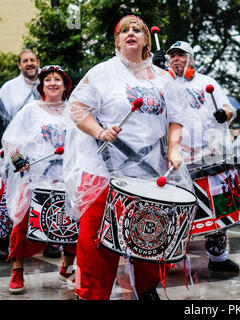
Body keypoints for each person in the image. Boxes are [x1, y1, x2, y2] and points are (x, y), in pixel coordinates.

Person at [65, 15, 190, 300]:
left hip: (148, 173)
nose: (130, 33)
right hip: (103, 171)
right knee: (95, 241)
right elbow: (78, 109)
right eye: (124, 31)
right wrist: (98, 131)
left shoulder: (163, 79)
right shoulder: (101, 72)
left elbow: (176, 118)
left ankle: (147, 290)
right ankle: (92, 295)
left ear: (146, 40)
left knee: (150, 234)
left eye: (137, 30)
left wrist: (173, 148)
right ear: (117, 40)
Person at [1, 65, 77, 294]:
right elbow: (10, 139)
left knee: (72, 225)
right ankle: (18, 271)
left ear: (65, 86)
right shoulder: (31, 110)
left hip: (65, 179)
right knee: (22, 226)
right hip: (35, 179)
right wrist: (17, 157)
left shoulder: (74, 111)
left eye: (57, 80)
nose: (52, 83)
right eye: (48, 80)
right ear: (42, 86)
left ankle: (67, 266)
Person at [166, 40, 240, 272]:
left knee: (217, 209)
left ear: (192, 59)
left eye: (181, 55)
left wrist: (223, 114)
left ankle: (218, 258)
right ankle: (169, 255)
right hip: (177, 159)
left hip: (209, 156)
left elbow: (230, 110)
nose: (176, 59)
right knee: (175, 210)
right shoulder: (163, 82)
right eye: (173, 56)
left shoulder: (208, 82)